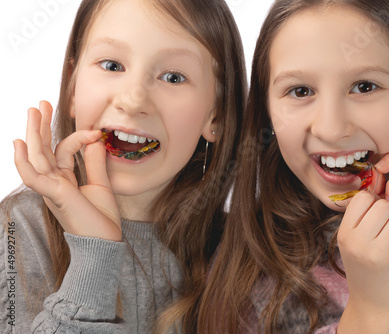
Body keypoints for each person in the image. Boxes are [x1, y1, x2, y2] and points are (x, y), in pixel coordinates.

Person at [198, 0, 389, 333]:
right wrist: (371, 313)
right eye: (300, 91)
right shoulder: (241, 270)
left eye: (365, 87)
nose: (330, 128)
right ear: (267, 110)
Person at [0, 0, 246, 332]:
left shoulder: (242, 252)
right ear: (72, 87)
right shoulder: (14, 232)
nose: (132, 100)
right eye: (112, 65)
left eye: (173, 77)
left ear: (215, 115)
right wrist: (93, 257)